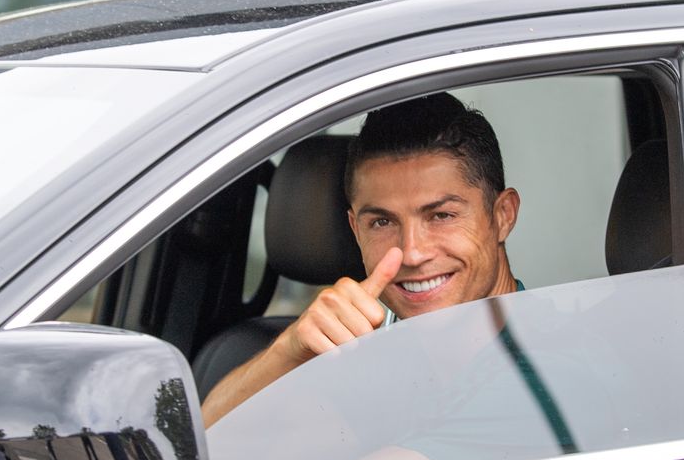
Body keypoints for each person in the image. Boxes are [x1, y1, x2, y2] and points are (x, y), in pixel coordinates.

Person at [201, 92, 522, 427]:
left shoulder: (539, 372)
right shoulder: (374, 357)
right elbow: (202, 437)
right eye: (382, 222)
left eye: (441, 215)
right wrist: (289, 348)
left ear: (503, 215)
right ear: (356, 230)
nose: (412, 253)